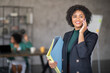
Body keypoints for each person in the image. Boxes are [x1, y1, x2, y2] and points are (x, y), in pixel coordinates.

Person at [47, 5, 98, 73]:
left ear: (85, 18)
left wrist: (81, 33)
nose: (77, 19)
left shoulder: (92, 36)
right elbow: (62, 55)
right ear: (70, 18)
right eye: (74, 16)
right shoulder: (67, 35)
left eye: (81, 16)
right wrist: (52, 61)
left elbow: (83, 54)